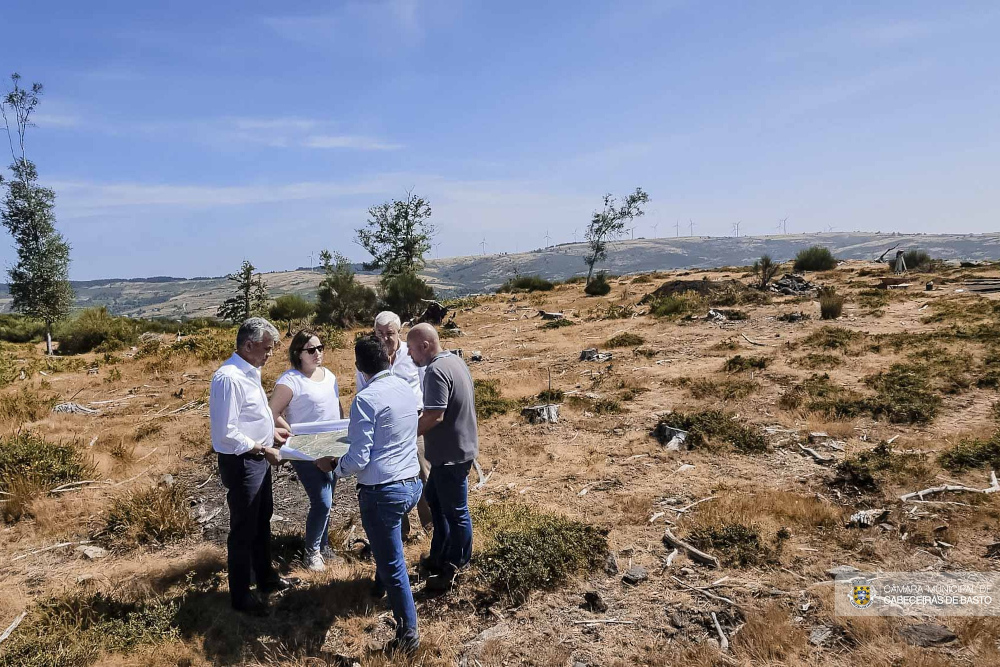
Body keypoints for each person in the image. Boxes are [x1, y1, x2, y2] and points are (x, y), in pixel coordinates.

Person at [317, 335, 423, 654]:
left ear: (359, 367)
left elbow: (359, 459)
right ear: (389, 360)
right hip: (411, 482)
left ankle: (409, 634)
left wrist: (333, 467)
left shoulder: (365, 399)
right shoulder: (405, 387)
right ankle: (378, 587)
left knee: (393, 563)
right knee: (388, 545)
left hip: (382, 491)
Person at [210, 317, 294, 616]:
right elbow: (226, 432)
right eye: (266, 348)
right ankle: (241, 596)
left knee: (262, 520)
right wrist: (262, 448)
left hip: (258, 456)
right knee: (244, 528)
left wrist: (271, 431)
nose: (270, 354)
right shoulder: (229, 378)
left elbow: (250, 417)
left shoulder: (250, 372)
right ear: (248, 345)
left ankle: (266, 578)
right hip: (244, 461)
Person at [406, 323, 479, 591]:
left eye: (412, 349)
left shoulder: (435, 370)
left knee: (456, 512)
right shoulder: (454, 361)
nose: (410, 355)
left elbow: (435, 415)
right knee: (436, 501)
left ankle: (457, 567)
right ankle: (439, 556)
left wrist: (405, 435)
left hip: (451, 455)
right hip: (451, 452)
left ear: (425, 346)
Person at [269, 329, 345, 572]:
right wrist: (290, 432)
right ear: (298, 353)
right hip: (305, 450)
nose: (317, 354)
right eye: (311, 350)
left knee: (328, 498)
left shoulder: (329, 375)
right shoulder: (290, 381)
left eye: (320, 348)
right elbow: (272, 413)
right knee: (322, 501)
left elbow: (337, 407)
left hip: (331, 447)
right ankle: (311, 553)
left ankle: (323, 547)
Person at [356, 311, 431, 535]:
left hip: (415, 422)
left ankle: (431, 527)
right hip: (384, 426)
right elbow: (363, 391)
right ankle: (401, 531)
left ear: (399, 332)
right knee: (392, 477)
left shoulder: (411, 353)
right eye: (379, 333)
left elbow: (425, 385)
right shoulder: (369, 358)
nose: (384, 338)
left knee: (423, 473)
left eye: (389, 333)